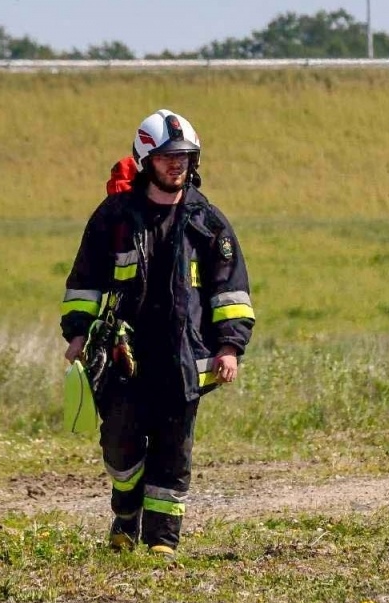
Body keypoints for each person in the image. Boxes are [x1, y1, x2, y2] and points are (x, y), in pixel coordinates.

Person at [60, 109, 254, 554]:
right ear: (147, 159)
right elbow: (86, 279)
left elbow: (231, 290)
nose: (177, 164)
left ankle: (162, 544)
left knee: (173, 451)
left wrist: (229, 347)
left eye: (185, 156)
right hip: (123, 357)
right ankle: (126, 512)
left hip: (183, 357)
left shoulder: (210, 222)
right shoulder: (115, 217)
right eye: (168, 156)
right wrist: (77, 333)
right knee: (121, 443)